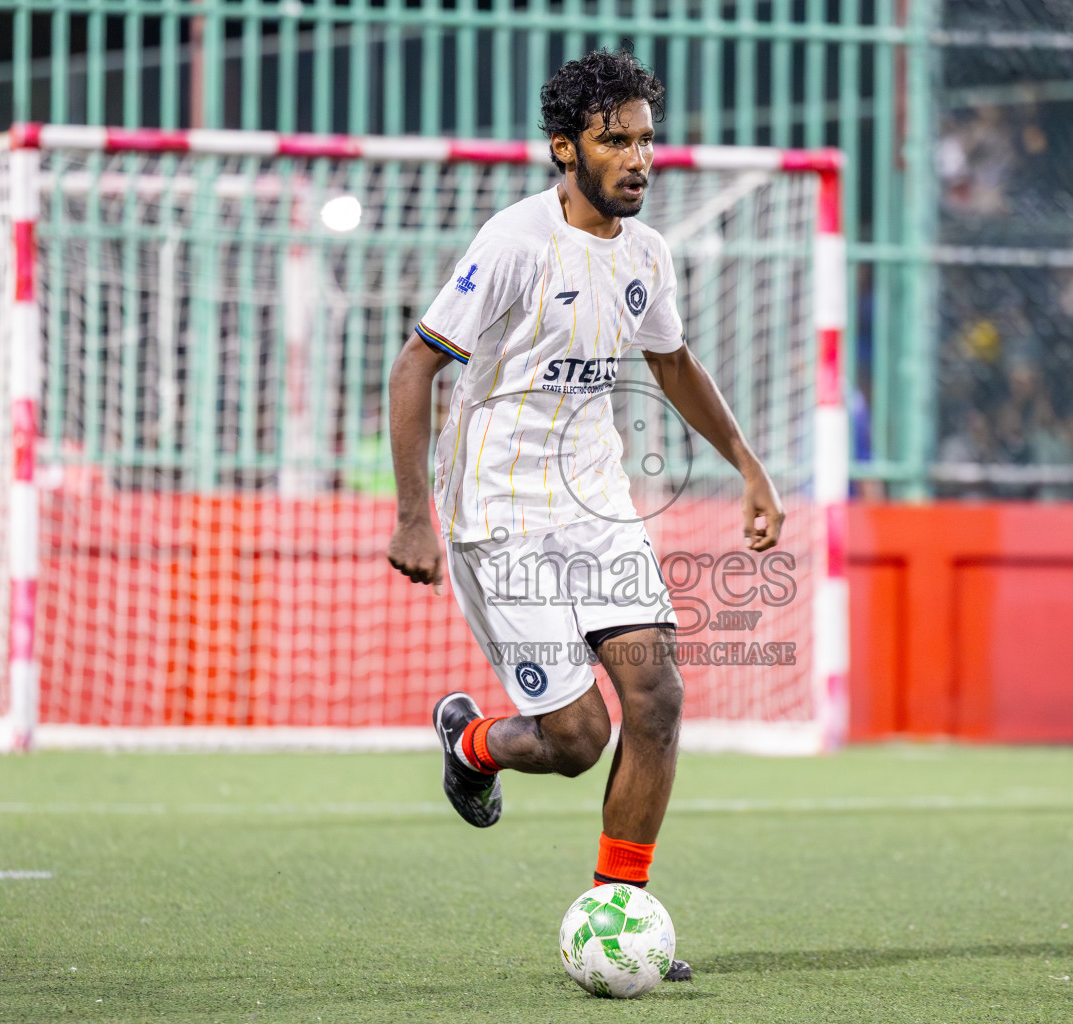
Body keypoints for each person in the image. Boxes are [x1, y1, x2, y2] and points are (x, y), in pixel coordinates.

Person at [386, 49, 786, 977]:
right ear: (566, 149)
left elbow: (673, 363)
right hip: (501, 512)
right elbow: (415, 367)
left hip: (598, 507)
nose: (640, 159)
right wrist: (416, 516)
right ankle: (473, 741)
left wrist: (748, 465)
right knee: (576, 740)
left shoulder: (648, 253)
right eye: (617, 142)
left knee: (657, 697)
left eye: (648, 139)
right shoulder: (516, 242)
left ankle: (620, 913)